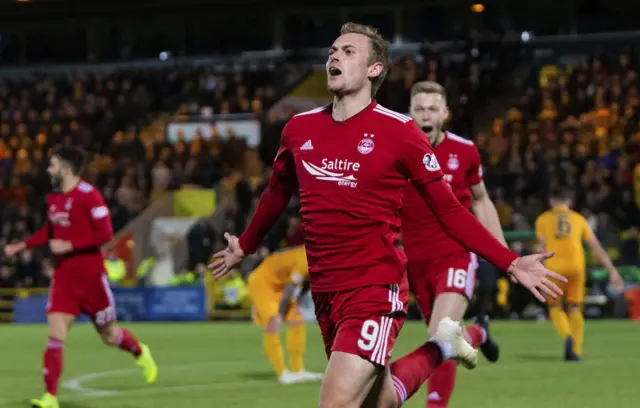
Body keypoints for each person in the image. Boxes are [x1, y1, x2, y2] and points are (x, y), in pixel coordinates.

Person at [211, 22, 565, 408]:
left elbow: (449, 210)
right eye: (333, 50)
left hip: (374, 288)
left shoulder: (400, 132)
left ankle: (441, 355)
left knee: (335, 403)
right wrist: (245, 245)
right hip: (326, 292)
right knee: (379, 401)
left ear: (374, 69)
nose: (335, 56)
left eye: (348, 51)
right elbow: (276, 193)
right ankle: (442, 347)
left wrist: (510, 261)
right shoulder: (299, 129)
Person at [4, 146, 158, 408]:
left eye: (52, 165)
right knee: (56, 335)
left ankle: (140, 351)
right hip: (64, 279)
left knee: (109, 336)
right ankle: (50, 397)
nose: (48, 170)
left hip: (91, 279)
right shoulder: (54, 198)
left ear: (66, 169)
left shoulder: (90, 196)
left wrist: (69, 245)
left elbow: (105, 233)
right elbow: (50, 231)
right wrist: (23, 246)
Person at [401, 81, 505, 408]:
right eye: (419, 109)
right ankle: (478, 335)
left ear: (444, 114)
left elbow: (481, 201)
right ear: (410, 114)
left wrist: (506, 257)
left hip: (456, 254)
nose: (425, 115)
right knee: (445, 341)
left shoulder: (465, 151)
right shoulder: (397, 152)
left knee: (440, 335)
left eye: (432, 109)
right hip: (415, 261)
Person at [535, 190, 624, 361]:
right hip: (577, 265)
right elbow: (595, 246)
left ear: (551, 201)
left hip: (554, 266)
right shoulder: (578, 219)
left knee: (555, 307)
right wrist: (612, 270)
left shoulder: (543, 219)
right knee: (575, 307)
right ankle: (575, 351)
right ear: (569, 201)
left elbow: (541, 246)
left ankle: (567, 336)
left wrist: (535, 268)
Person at [247, 245, 323, 384]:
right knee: (273, 322)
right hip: (262, 282)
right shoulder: (305, 259)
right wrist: (281, 313)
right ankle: (282, 373)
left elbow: (307, 283)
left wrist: (297, 303)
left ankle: (298, 370)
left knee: (297, 319)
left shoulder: (316, 259)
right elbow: (290, 287)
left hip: (278, 285)